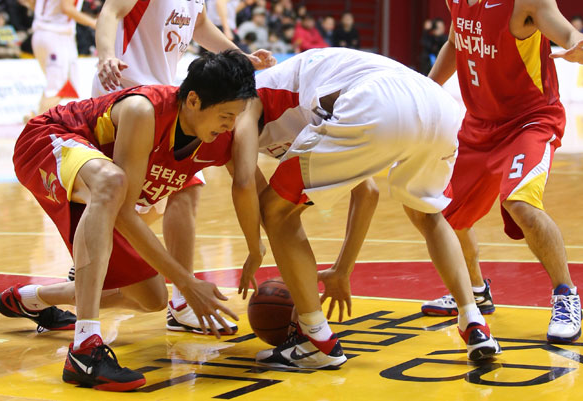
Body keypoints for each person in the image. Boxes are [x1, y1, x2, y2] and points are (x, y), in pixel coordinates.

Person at [0, 50, 260, 391]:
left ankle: (34, 299)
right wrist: (186, 281)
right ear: (193, 99)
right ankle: (85, 349)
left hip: (98, 188)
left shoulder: (217, 139)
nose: (230, 125)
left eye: (235, 117)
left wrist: (259, 248)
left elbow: (251, 186)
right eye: (225, 115)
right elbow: (123, 211)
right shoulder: (144, 109)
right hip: (46, 141)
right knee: (112, 182)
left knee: (151, 298)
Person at [236, 47, 501, 369]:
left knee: (275, 211)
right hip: (438, 107)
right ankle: (473, 319)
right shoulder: (299, 88)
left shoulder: (251, 102)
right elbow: (368, 192)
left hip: (375, 102)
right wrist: (341, 270)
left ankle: (315, 339)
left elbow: (245, 183)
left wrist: (255, 248)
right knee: (427, 213)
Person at [91, 0, 275, 335]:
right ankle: (102, 254)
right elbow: (110, 12)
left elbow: (202, 27)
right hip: (126, 97)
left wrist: (239, 58)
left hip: (167, 97)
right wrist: (105, 55)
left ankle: (172, 296)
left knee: (180, 190)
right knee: (137, 199)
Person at [422, 0, 583, 344]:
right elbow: (455, 43)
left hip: (531, 120)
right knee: (444, 212)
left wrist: (575, 44)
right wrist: (425, 89)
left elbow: (564, 30)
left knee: (520, 202)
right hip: (480, 125)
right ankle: (476, 290)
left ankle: (566, 294)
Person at [26, 0, 96, 117]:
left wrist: (46, 13)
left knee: (67, 84)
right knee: (58, 86)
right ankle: (37, 121)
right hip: (56, 35)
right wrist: (93, 22)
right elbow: (67, 8)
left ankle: (35, 114)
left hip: (45, 32)